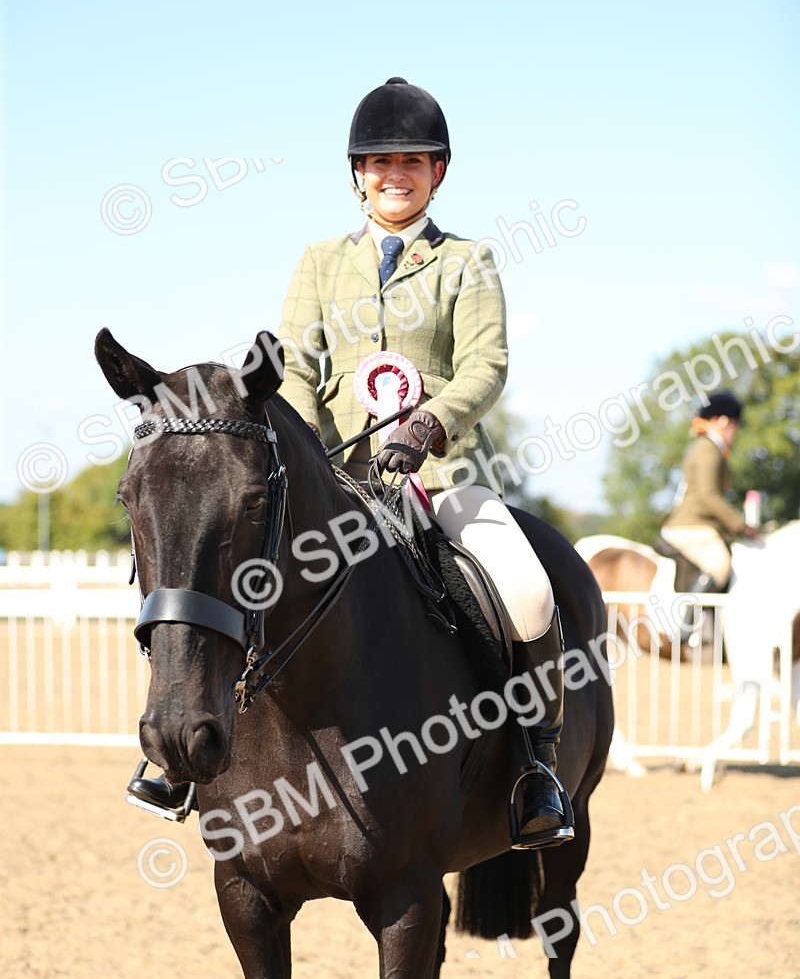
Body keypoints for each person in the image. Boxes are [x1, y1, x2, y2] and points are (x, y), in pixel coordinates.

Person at [128, 76, 572, 849]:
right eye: (379, 162)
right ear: (356, 175)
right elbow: (293, 364)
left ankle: (537, 766)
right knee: (210, 572)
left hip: (443, 476)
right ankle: (181, 761)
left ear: (438, 172)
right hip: (335, 478)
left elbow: (486, 365)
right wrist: (303, 444)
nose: (394, 174)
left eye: (412, 160)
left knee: (529, 593)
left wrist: (429, 422)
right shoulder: (320, 260)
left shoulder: (467, 260)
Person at [661, 390, 758, 640]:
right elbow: (708, 495)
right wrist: (741, 525)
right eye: (735, 425)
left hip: (700, 524)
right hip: (691, 525)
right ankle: (687, 627)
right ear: (723, 421)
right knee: (720, 564)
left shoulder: (709, 447)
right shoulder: (707, 449)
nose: (736, 431)